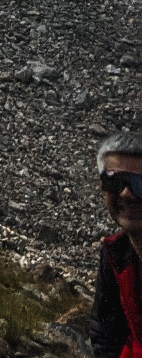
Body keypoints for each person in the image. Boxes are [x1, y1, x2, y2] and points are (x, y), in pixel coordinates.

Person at [98, 135, 142, 358]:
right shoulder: (115, 253)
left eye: (140, 183)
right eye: (114, 181)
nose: (126, 193)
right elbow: (106, 335)